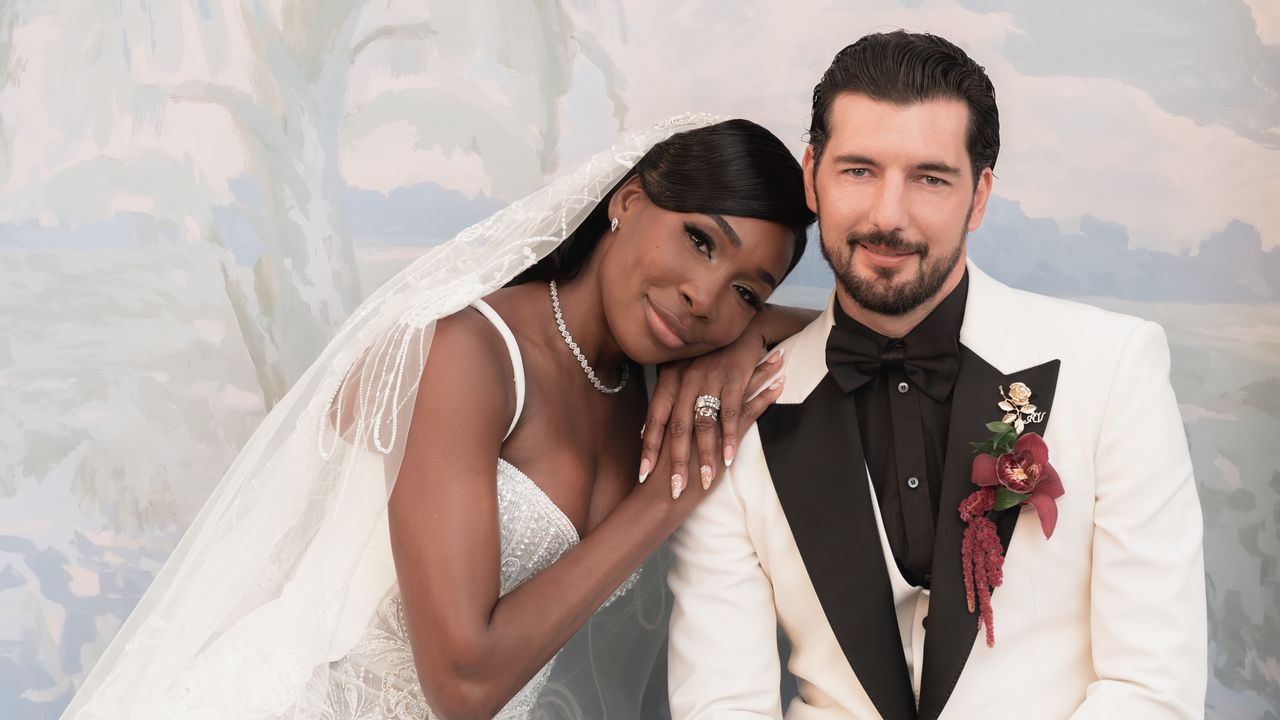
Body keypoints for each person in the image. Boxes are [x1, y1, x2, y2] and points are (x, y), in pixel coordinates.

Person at [60, 115, 816, 719]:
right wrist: (664, 500)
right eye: (698, 240)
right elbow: (462, 683)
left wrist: (743, 343)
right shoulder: (468, 351)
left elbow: (844, 334)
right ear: (627, 202)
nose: (704, 297)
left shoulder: (648, 382)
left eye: (746, 292)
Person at [667, 31, 1207, 719]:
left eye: (930, 178)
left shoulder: (1115, 367)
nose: (888, 216)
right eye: (858, 171)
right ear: (812, 175)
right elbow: (720, 703)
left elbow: (1151, 688)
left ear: (979, 196)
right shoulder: (736, 413)